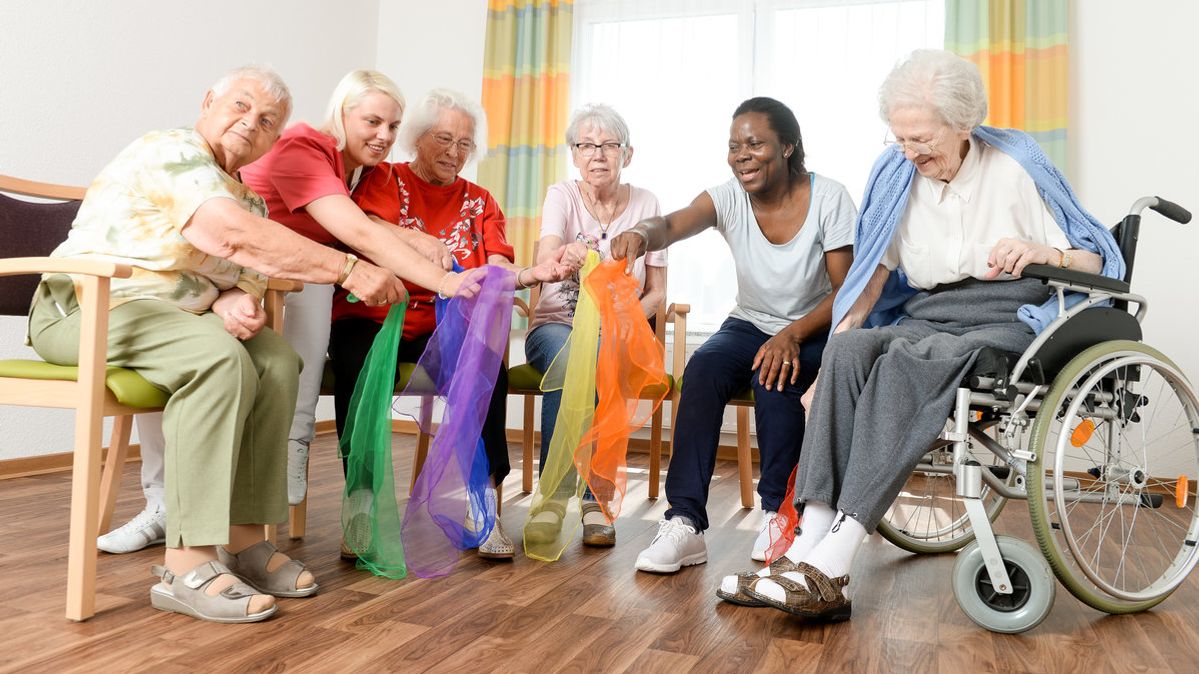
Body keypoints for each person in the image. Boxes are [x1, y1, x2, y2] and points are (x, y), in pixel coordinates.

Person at [731, 50, 1122, 621]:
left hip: (1008, 315)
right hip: (929, 311)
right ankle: (806, 544)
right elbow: (873, 275)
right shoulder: (897, 175)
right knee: (850, 349)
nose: (910, 153)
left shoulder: (1015, 165)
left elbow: (1096, 259)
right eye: (901, 139)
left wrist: (1046, 253)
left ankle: (836, 559)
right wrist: (838, 343)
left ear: (964, 124)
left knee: (906, 361)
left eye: (922, 139)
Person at [28, 66, 408, 622]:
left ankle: (245, 538)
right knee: (218, 358)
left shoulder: (248, 198)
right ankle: (186, 563)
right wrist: (347, 267)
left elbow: (249, 262)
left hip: (170, 317)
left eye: (266, 121)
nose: (250, 123)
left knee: (279, 361)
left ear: (273, 138)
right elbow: (227, 234)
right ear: (208, 102)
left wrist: (237, 295)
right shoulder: (172, 150)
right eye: (240, 106)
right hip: (90, 305)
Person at [101, 70, 476, 555]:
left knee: (299, 311)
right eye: (372, 121)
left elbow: (366, 224)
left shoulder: (368, 171)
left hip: (251, 278)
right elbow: (355, 234)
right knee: (288, 300)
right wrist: (444, 279)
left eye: (392, 126)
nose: (384, 135)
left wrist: (413, 241)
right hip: (224, 267)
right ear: (342, 115)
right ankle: (166, 501)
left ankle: (286, 453)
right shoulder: (304, 147)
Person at [609, 97, 856, 574]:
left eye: (755, 143)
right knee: (702, 368)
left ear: (787, 147)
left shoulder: (829, 198)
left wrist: (791, 335)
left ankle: (778, 515)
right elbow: (673, 223)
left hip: (814, 324)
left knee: (774, 376)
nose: (741, 154)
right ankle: (685, 523)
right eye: (734, 145)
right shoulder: (727, 197)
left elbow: (846, 291)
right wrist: (641, 232)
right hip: (750, 321)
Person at [329, 88, 576, 559]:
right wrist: (418, 243)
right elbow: (360, 227)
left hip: (445, 328)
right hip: (379, 314)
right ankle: (359, 501)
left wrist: (515, 276)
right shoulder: (383, 179)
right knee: (355, 357)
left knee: (488, 367)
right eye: (444, 138)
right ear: (418, 139)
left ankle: (483, 501)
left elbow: (499, 263)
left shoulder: (480, 201)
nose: (455, 152)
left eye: (465, 143)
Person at [522, 103, 666, 548]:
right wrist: (557, 256)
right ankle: (553, 497)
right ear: (574, 153)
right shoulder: (561, 195)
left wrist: (621, 323)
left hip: (619, 329)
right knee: (570, 357)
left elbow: (657, 293)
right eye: (586, 145)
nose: (597, 154)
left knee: (603, 351)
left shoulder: (646, 203)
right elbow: (546, 252)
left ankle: (595, 500)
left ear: (628, 154)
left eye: (609, 145)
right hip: (556, 324)